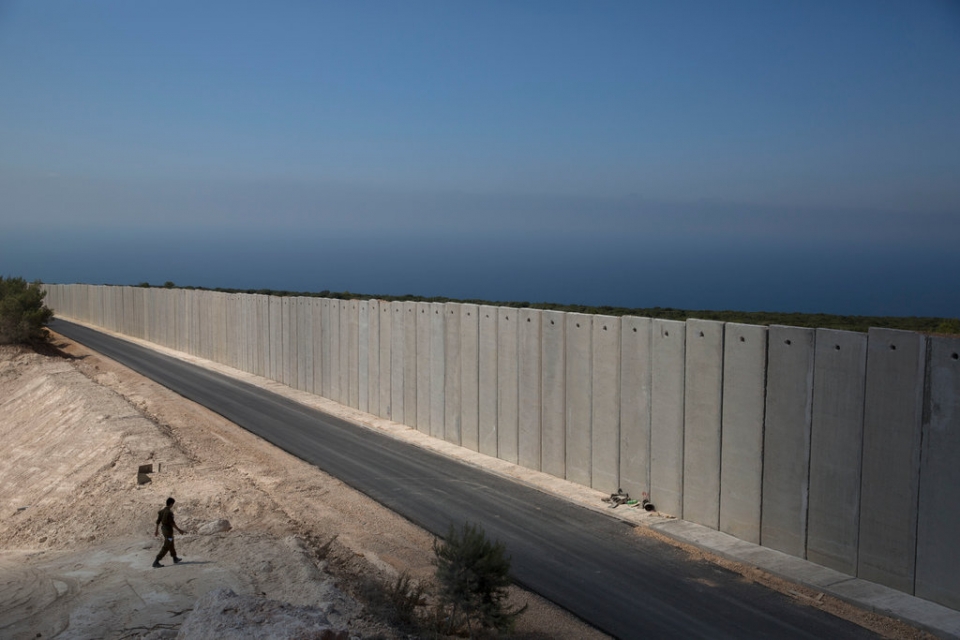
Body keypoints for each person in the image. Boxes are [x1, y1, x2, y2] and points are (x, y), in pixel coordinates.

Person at [153, 497, 186, 568]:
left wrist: (156, 531)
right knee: (166, 545)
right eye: (172, 504)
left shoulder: (161, 511)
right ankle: (156, 561)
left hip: (164, 529)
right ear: (171, 504)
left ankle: (174, 558)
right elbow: (172, 523)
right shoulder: (169, 512)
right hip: (168, 530)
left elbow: (158, 522)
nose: (173, 505)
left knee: (171, 543)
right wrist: (179, 530)